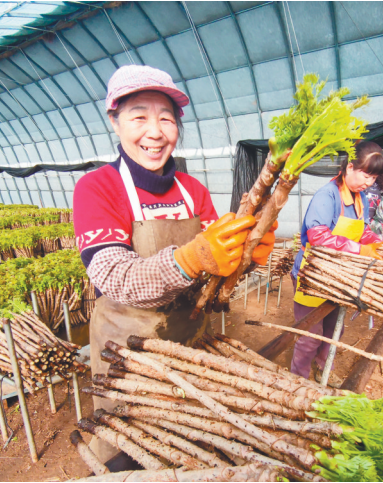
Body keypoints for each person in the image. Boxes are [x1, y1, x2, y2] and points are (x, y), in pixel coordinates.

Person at [73, 65, 276, 461]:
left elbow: (216, 272)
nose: (155, 131)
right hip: (126, 354)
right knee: (131, 447)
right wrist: (189, 258)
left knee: (189, 437)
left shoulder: (192, 189)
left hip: (189, 342)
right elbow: (113, 275)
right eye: (139, 117)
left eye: (166, 118)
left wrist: (246, 257)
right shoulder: (97, 188)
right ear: (114, 122)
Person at [290, 141, 383, 385]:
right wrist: (360, 249)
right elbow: (318, 236)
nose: (369, 182)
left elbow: (360, 231)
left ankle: (323, 368)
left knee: (335, 330)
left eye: (374, 177)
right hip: (313, 273)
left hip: (338, 274)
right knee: (310, 335)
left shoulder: (359, 197)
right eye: (366, 174)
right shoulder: (328, 195)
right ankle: (297, 380)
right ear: (350, 167)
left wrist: (375, 243)